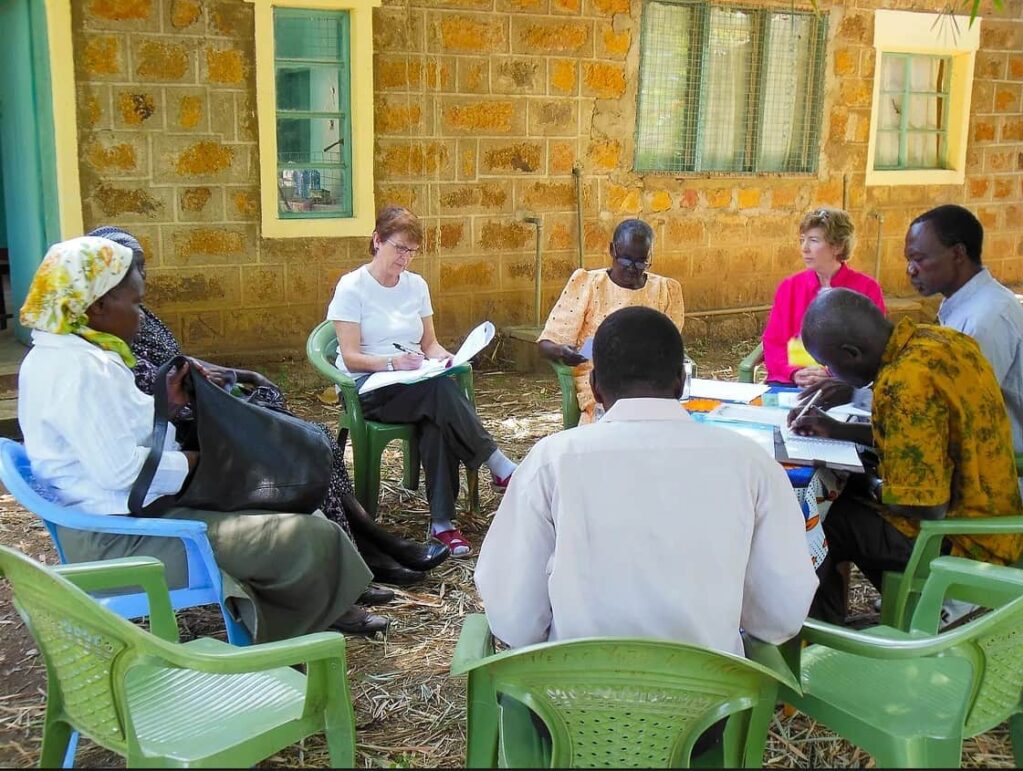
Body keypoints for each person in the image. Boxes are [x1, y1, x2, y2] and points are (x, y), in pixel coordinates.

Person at [18, 236, 386, 640]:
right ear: (97, 306)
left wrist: (168, 408)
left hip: (131, 514)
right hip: (120, 541)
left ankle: (322, 609)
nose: (142, 317)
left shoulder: (71, 354)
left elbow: (112, 435)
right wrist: (198, 461)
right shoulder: (79, 371)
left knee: (293, 505)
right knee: (303, 533)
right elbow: (122, 471)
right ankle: (284, 645)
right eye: (136, 304)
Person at [85, 225, 449, 591]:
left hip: (195, 422)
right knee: (295, 453)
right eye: (132, 272)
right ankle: (360, 561)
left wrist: (235, 374)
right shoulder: (93, 357)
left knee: (316, 443)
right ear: (101, 294)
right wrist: (208, 407)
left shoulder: (131, 317)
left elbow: (179, 363)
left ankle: (368, 547)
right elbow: (160, 392)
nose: (141, 280)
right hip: (190, 431)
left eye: (142, 268)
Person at [476, 306, 818, 655]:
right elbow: (781, 616)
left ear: (594, 388)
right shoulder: (752, 465)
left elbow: (514, 616)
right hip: (714, 702)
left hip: (570, 705)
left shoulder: (551, 462)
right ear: (681, 383)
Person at [788, 288, 1023, 624]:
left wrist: (873, 483)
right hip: (996, 518)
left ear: (851, 353)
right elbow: (921, 435)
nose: (830, 374)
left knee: (823, 525)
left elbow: (926, 506)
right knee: (843, 495)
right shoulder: (941, 341)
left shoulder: (902, 384)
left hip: (960, 540)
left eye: (829, 365)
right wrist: (838, 431)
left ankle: (819, 638)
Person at [326, 206, 518, 557]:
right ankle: (497, 464)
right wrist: (391, 362)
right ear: (377, 240)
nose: (405, 258)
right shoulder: (353, 287)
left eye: (412, 252)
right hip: (368, 388)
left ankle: (442, 524)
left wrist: (444, 358)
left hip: (415, 384)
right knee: (437, 393)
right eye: (399, 248)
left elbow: (429, 343)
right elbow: (350, 356)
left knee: (437, 411)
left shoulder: (416, 286)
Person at [536, 218, 684, 424]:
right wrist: (563, 352)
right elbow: (545, 345)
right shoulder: (588, 284)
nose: (632, 268)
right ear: (612, 250)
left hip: (650, 379)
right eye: (625, 260)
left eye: (641, 262)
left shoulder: (665, 290)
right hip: (602, 381)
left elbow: (671, 346)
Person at [905, 205, 1023, 455]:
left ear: (958, 254)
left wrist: (845, 429)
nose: (911, 270)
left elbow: (951, 417)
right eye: (909, 260)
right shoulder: (965, 304)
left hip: (1001, 477)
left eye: (919, 259)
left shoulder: (986, 320)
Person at [762, 207, 885, 386]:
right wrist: (794, 373)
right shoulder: (789, 287)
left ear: (837, 246)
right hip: (791, 381)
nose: (804, 248)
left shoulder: (867, 288)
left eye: (813, 240)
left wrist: (830, 373)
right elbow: (773, 341)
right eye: (802, 240)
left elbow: (874, 347)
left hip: (844, 382)